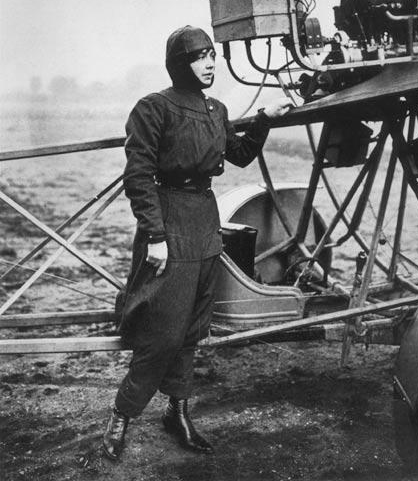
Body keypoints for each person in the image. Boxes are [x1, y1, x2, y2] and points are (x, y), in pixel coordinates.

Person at [102, 25, 292, 460]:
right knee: (162, 333)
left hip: (205, 222)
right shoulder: (153, 108)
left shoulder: (215, 108)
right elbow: (138, 176)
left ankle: (178, 412)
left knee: (191, 329)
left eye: (211, 55)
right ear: (178, 63)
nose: (210, 63)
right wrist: (154, 236)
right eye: (199, 57)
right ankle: (121, 415)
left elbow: (239, 155)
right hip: (168, 224)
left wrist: (264, 120)